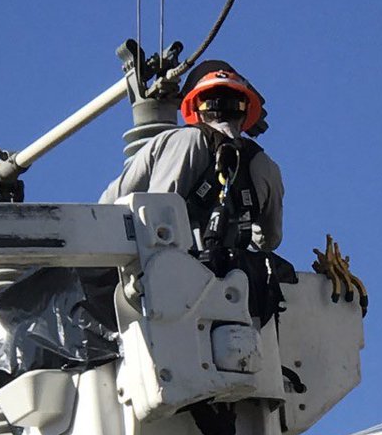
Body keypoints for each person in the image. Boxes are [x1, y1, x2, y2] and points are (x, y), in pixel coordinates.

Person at [101, 60, 285, 322]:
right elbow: (271, 239)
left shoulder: (177, 141)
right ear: (244, 115)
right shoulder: (266, 167)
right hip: (233, 299)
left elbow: (114, 201)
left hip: (166, 288)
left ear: (197, 109)